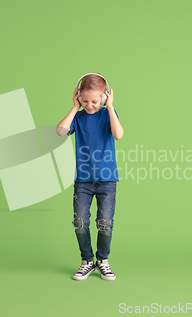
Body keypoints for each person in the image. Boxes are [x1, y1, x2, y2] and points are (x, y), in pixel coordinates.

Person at [56, 73, 124, 281]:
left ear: (104, 97)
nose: (90, 105)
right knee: (80, 222)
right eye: (85, 100)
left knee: (105, 223)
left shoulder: (106, 114)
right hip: (83, 181)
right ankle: (87, 261)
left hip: (106, 180)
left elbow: (118, 134)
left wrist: (110, 107)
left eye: (95, 101)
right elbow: (60, 131)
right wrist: (75, 107)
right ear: (78, 97)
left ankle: (102, 261)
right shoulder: (78, 116)